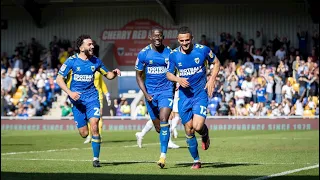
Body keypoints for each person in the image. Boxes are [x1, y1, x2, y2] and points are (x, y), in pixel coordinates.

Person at [56, 34, 121, 168]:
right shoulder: (71, 61)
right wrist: (70, 93)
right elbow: (59, 79)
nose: (92, 46)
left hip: (92, 98)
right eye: (89, 44)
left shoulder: (96, 61)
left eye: (92, 44)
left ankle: (96, 159)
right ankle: (83, 122)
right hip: (77, 101)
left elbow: (108, 75)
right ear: (81, 47)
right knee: (84, 133)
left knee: (95, 125)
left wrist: (114, 73)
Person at [166, 26, 220, 169]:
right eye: (182, 40)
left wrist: (212, 79)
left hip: (200, 94)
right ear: (178, 40)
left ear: (192, 38)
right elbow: (168, 74)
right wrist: (178, 79)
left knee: (197, 126)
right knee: (189, 129)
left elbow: (217, 63)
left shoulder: (202, 50)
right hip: (184, 97)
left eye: (187, 40)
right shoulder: (173, 55)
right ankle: (196, 160)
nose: (185, 43)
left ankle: (205, 133)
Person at [135, 27, 175, 169]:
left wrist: (176, 84)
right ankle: (162, 141)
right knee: (158, 127)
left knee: (164, 119)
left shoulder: (170, 53)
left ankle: (162, 156)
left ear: (163, 37)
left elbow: (175, 70)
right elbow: (138, 76)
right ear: (150, 38)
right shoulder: (144, 54)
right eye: (155, 36)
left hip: (166, 91)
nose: (157, 38)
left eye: (160, 36)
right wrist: (145, 94)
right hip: (150, 94)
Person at [83, 71, 111, 144]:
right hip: (87, 97)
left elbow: (102, 83)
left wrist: (107, 94)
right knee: (89, 117)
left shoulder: (98, 71)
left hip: (98, 96)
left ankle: (99, 135)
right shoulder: (84, 70)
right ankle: (89, 135)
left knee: (99, 117)